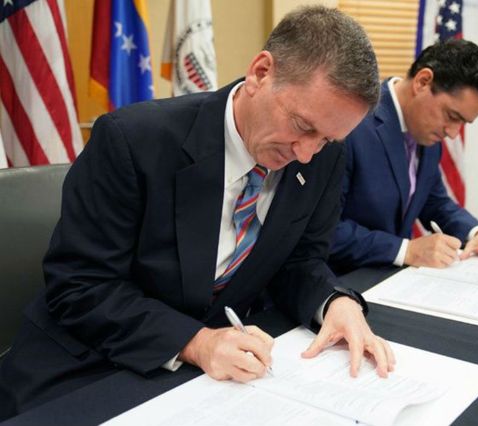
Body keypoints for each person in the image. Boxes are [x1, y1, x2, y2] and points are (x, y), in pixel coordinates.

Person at [0, 6, 395, 420]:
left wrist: (333, 301)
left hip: (209, 379)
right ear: (261, 72)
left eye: (327, 139)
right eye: (301, 124)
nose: (305, 153)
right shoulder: (133, 141)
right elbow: (81, 286)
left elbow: (300, 261)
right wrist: (197, 342)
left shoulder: (323, 158)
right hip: (88, 364)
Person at [329, 39, 478, 274]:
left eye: (463, 122)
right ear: (423, 82)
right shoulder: (352, 123)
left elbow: (434, 201)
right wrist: (406, 250)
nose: (453, 133)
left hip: (391, 278)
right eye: (452, 116)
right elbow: (325, 230)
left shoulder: (426, 130)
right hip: (342, 281)